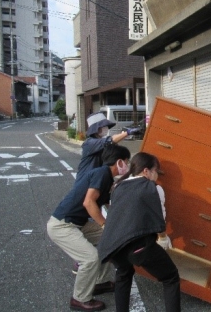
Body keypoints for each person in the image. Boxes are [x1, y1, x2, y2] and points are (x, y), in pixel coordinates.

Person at [47, 145, 131, 312]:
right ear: (120, 161)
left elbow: (109, 204)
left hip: (79, 223)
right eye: (127, 162)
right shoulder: (101, 173)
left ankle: (100, 282)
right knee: (90, 258)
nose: (127, 165)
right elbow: (88, 202)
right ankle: (80, 299)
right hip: (62, 225)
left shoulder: (108, 178)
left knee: (110, 239)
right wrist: (105, 225)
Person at [98, 152, 180, 312]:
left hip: (113, 246)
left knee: (123, 273)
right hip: (138, 246)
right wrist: (163, 238)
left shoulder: (118, 186)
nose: (157, 176)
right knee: (170, 278)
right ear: (146, 171)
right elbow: (159, 218)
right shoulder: (153, 188)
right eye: (157, 171)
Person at [76, 112, 140, 181]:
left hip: (97, 178)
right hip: (85, 180)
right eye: (103, 126)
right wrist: (128, 133)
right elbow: (111, 140)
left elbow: (112, 142)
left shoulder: (101, 142)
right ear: (96, 129)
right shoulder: (90, 143)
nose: (106, 128)